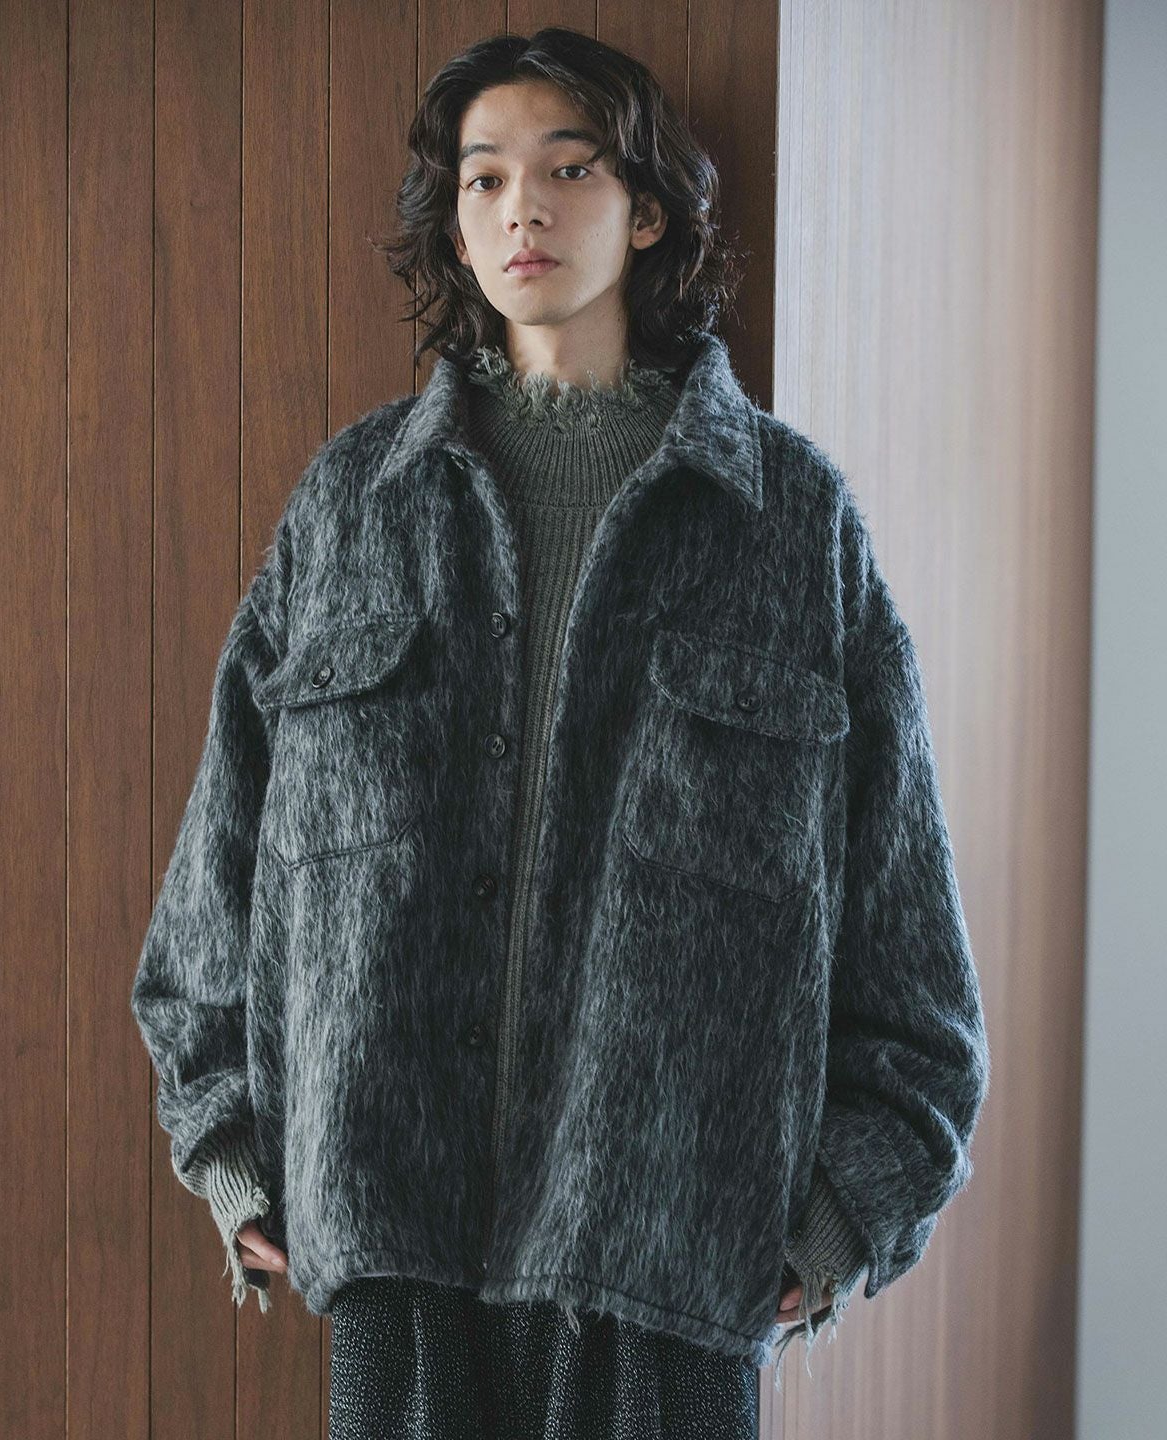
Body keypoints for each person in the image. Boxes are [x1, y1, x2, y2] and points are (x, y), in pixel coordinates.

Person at [132, 25, 988, 1439]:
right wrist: (229, 1147)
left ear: (644, 210)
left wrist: (842, 1215)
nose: (521, 207)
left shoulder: (788, 524)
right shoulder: (351, 508)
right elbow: (211, 895)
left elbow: (917, 972)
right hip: (396, 1250)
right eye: (483, 179)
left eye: (569, 168)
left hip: (670, 1267)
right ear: (454, 223)